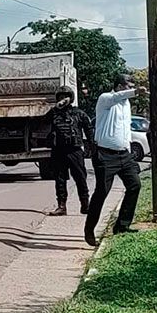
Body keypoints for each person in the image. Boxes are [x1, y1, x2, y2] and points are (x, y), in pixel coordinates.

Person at [83, 74, 147, 246]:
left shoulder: (125, 105)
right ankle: (89, 230)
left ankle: (122, 225)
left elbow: (124, 128)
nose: (130, 89)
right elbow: (118, 96)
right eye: (127, 86)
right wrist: (135, 91)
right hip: (105, 155)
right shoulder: (106, 99)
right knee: (102, 192)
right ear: (119, 86)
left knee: (134, 185)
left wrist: (127, 148)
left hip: (124, 155)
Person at [46, 85, 93, 216]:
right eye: (60, 97)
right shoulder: (54, 113)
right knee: (60, 179)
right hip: (58, 150)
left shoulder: (78, 113)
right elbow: (42, 121)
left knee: (80, 177)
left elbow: (88, 129)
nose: (63, 99)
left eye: (65, 97)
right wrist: (56, 108)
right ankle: (62, 206)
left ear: (70, 98)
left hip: (75, 150)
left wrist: (92, 145)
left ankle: (85, 204)